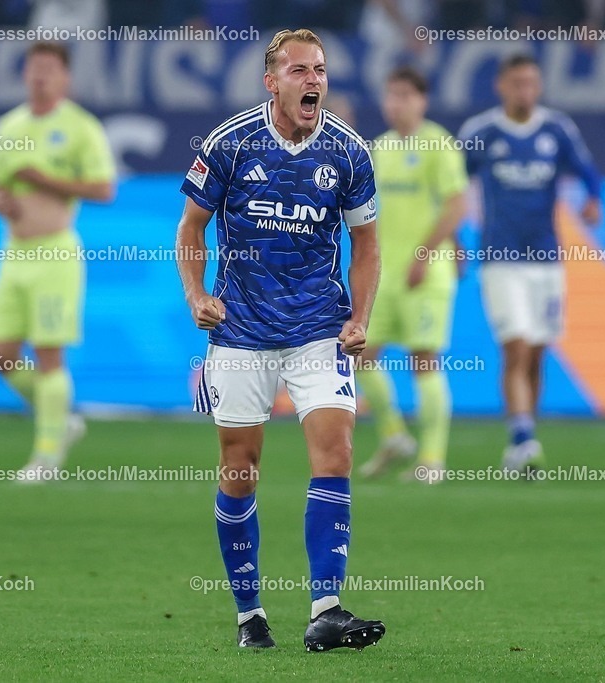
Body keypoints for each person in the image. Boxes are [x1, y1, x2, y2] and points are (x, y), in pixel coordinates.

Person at [176, 28, 386, 652]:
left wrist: (361, 317)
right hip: (240, 331)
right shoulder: (230, 144)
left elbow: (367, 245)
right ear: (272, 81)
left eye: (319, 69)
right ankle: (250, 616)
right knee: (240, 470)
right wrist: (196, 295)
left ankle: (327, 608)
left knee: (337, 452)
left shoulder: (348, 153)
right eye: (299, 71)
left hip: (319, 329)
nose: (313, 80)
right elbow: (191, 228)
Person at [459, 54, 601, 473]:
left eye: (531, 83)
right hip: (501, 258)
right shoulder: (481, 132)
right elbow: (453, 184)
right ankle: (523, 437)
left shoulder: (556, 129)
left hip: (546, 259)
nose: (525, 91)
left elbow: (589, 172)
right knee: (516, 345)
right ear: (501, 85)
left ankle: (523, 437)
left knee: (537, 350)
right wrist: (452, 238)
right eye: (517, 83)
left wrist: (594, 201)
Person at [0, 42, 116, 479]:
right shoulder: (9, 125)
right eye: (34, 67)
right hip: (13, 251)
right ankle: (60, 419)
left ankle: (46, 457)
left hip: (55, 251)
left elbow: (103, 188)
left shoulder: (80, 128)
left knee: (48, 354)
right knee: (0, 356)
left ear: (65, 78)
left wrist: (45, 179)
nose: (40, 75)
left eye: (49, 69)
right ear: (24, 74)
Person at [357, 67, 467, 482]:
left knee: (424, 359)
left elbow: (456, 204)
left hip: (426, 272)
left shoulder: (439, 143)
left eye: (404, 95)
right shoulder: (380, 148)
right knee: (360, 355)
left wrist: (427, 253)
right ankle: (393, 436)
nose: (395, 104)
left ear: (421, 100)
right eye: (390, 95)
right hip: (386, 274)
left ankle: (433, 461)